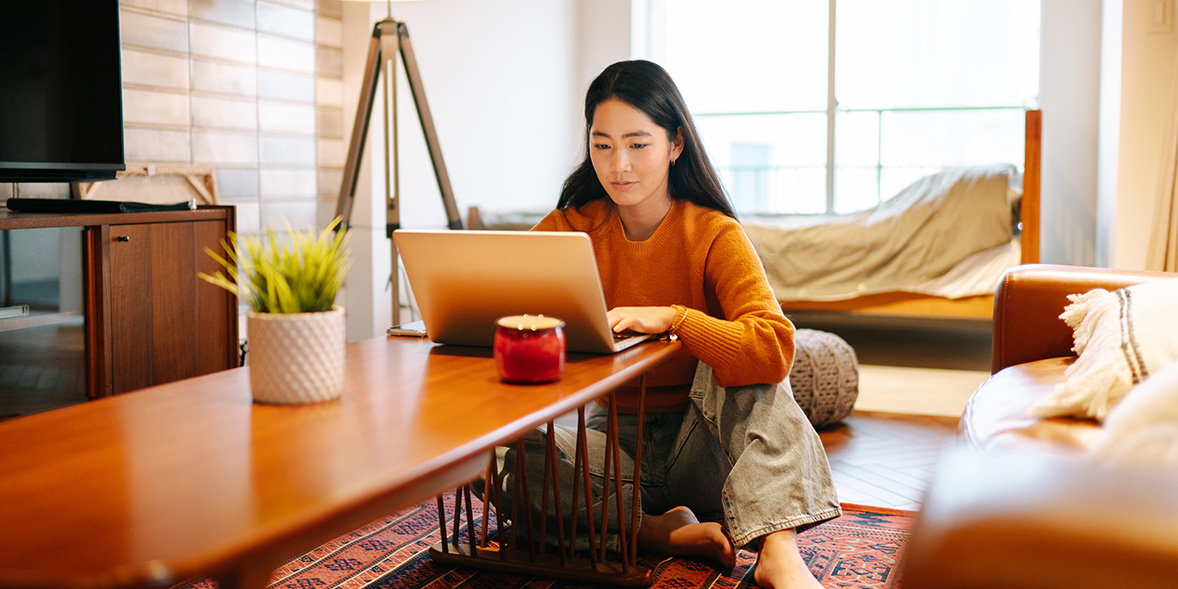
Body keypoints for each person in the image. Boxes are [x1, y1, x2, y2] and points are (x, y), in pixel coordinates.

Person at [485, 59, 840, 589]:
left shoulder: (713, 232)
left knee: (754, 378)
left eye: (637, 144)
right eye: (602, 145)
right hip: (610, 457)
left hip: (704, 454)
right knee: (489, 457)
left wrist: (678, 320)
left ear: (675, 144)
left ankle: (778, 551)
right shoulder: (569, 229)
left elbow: (774, 349)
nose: (619, 164)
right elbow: (497, 302)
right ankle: (653, 532)